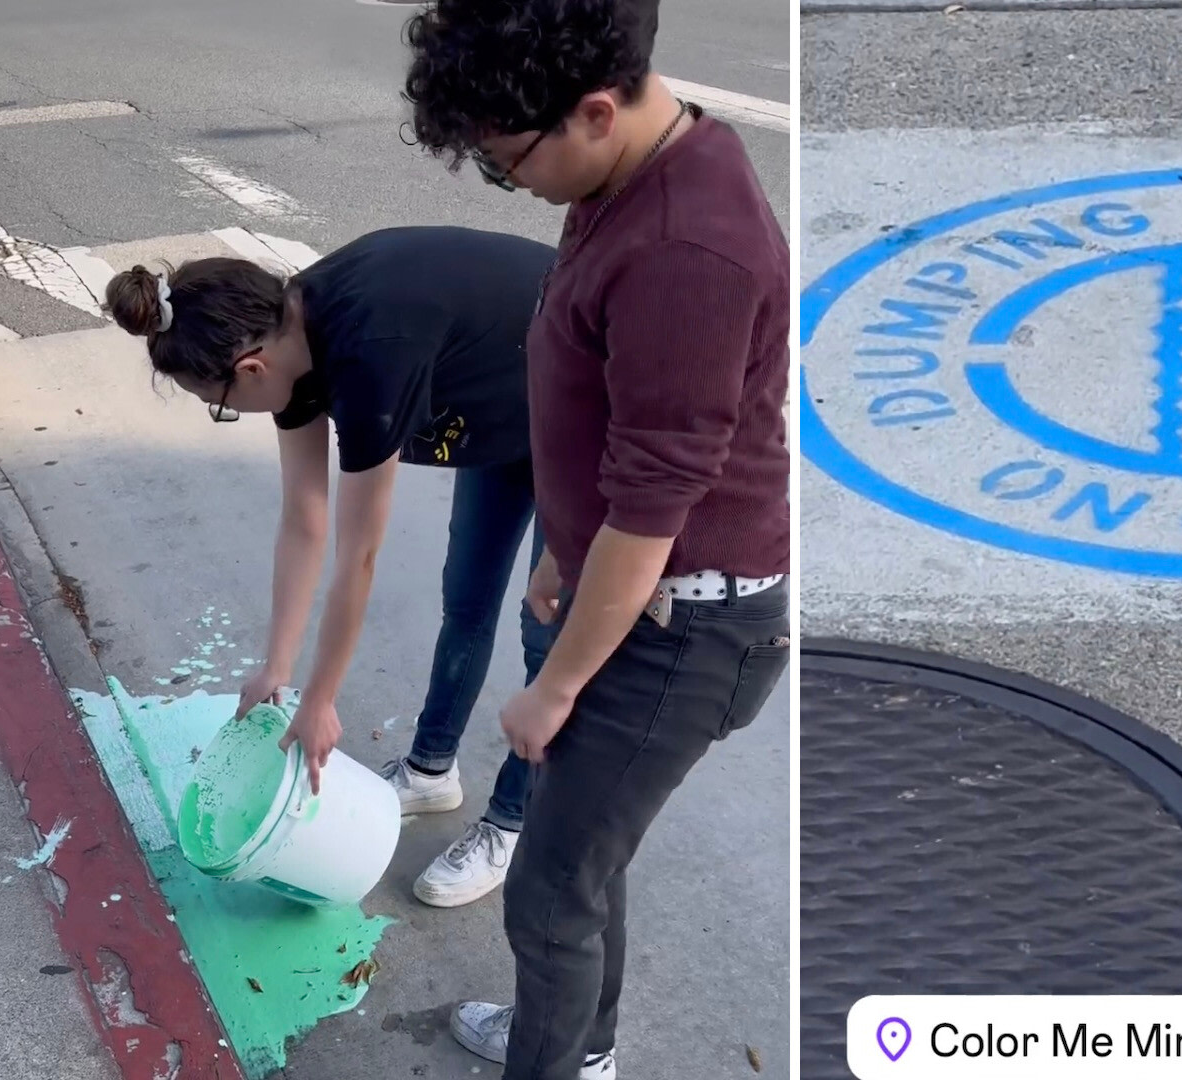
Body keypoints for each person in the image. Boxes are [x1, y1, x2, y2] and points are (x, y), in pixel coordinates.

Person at [403, 1, 792, 1078]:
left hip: (687, 627)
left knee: (550, 892)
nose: (511, 183)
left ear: (595, 109)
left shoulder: (686, 248)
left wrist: (558, 684)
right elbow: (622, 423)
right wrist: (566, 551)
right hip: (640, 589)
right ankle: (579, 1046)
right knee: (588, 862)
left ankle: (559, 1057)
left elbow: (659, 499)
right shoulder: (632, 174)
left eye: (507, 162)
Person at [103, 226, 559, 908]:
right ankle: (432, 770)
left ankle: (513, 823)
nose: (230, 413)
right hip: (506, 405)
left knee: (546, 630)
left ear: (250, 367)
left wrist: (320, 699)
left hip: (591, 408)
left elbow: (360, 556)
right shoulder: (290, 334)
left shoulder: (369, 354)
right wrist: (277, 665)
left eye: (219, 405)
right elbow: (303, 519)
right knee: (466, 599)